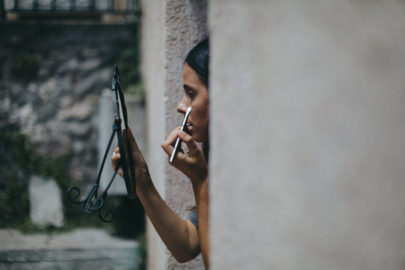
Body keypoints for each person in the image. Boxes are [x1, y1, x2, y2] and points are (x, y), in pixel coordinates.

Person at [111, 38, 210, 268]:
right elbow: (187, 244)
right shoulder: (212, 157)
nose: (180, 105)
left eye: (191, 93)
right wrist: (142, 181)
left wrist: (201, 181)